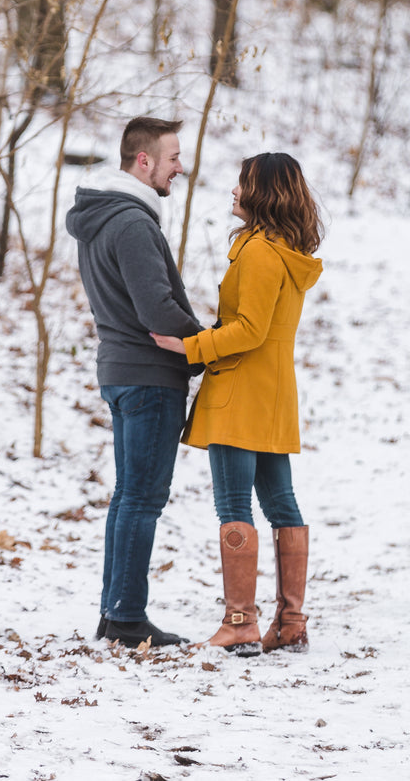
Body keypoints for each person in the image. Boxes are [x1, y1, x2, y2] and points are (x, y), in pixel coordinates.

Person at [152, 152, 323, 655]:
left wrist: (191, 347)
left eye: (242, 183)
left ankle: (240, 621)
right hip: (272, 396)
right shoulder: (287, 252)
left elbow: (249, 330)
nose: (233, 191)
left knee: (234, 506)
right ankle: (290, 624)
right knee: (281, 505)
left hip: (239, 395)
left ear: (262, 192)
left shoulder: (260, 252)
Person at [66, 116, 202, 648]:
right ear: (142, 161)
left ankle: (114, 613)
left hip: (120, 371)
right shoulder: (133, 222)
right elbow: (157, 309)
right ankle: (125, 618)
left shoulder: (101, 216)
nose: (179, 167)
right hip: (148, 375)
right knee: (142, 500)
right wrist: (206, 347)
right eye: (172, 158)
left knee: (128, 498)